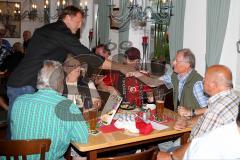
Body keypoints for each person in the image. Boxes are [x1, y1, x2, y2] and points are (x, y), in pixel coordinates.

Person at [6, 6, 134, 136]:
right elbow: (88, 56)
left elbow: (54, 56)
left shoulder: (48, 30)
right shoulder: (60, 33)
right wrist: (121, 67)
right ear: (67, 18)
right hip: (24, 84)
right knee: (18, 132)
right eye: (78, 22)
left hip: (26, 82)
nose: (79, 26)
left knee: (26, 130)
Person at [157, 64, 240, 160]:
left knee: (164, 152)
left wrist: (171, 157)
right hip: (214, 151)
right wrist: (188, 122)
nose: (202, 81)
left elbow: (197, 146)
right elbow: (205, 115)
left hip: (198, 154)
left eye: (205, 79)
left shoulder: (215, 112)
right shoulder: (234, 98)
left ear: (213, 84)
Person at [11, 60, 88, 159]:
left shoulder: (18, 102)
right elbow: (83, 139)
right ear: (59, 82)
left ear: (39, 78)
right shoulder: (68, 106)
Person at [133, 48, 208, 116]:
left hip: (193, 125)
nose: (173, 63)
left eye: (177, 61)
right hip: (180, 120)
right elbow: (153, 82)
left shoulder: (197, 83)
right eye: (174, 60)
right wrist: (139, 74)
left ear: (187, 65)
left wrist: (190, 112)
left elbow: (208, 109)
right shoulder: (174, 76)